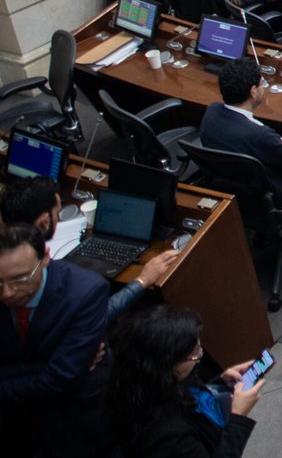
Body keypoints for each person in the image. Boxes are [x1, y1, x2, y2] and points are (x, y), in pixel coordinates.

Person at [0, 222, 114, 457]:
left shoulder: (86, 293)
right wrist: (51, 365)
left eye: (20, 279)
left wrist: (60, 371)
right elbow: (60, 371)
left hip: (72, 422)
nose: (7, 293)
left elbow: (61, 378)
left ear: (45, 258)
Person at [1, 178, 179, 321]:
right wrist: (142, 280)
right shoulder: (71, 284)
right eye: (57, 213)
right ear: (44, 221)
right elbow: (95, 317)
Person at [107, 305, 264, 458]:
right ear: (170, 364)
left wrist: (221, 383)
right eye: (194, 353)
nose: (200, 354)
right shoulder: (166, 436)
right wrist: (238, 418)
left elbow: (190, 393)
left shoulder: (149, 378)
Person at [200, 58, 282, 199]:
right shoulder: (260, 135)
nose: (263, 88)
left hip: (229, 188)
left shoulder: (212, 112)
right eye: (262, 84)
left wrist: (278, 141)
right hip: (269, 193)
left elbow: (239, 138)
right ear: (253, 91)